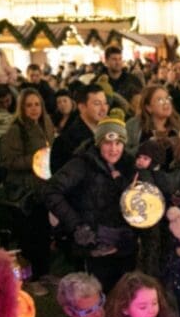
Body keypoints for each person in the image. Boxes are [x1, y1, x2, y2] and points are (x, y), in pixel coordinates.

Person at [44, 110, 139, 291]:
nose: (113, 148)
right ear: (98, 143)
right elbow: (51, 190)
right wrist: (76, 225)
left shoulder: (129, 166)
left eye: (118, 143)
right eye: (108, 143)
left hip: (124, 247)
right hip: (94, 247)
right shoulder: (83, 163)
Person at [0, 88, 55, 280]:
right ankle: (33, 277)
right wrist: (35, 159)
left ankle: (44, 273)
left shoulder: (46, 124)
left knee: (44, 234)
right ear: (21, 107)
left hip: (43, 189)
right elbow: (6, 161)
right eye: (29, 105)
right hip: (26, 191)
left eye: (37, 104)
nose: (34, 109)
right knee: (29, 236)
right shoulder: (16, 130)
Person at [49, 83, 108, 174]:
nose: (104, 108)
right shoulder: (65, 142)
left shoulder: (108, 132)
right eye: (97, 104)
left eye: (105, 103)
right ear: (82, 107)